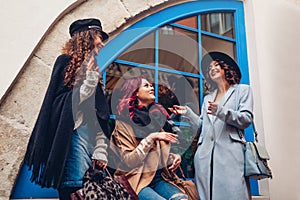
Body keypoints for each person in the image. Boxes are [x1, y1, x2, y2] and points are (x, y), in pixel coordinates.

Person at [24, 18, 110, 199]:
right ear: (86, 37)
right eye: (98, 37)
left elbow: (99, 116)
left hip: (90, 142)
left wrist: (100, 150)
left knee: (90, 192)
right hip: (72, 137)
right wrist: (89, 82)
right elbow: (58, 104)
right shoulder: (65, 62)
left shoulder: (95, 71)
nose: (102, 43)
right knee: (75, 190)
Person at [169, 51, 253, 200]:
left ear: (226, 68)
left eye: (216, 65)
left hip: (230, 156)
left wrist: (221, 111)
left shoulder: (242, 90)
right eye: (209, 68)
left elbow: (246, 119)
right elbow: (202, 126)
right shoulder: (208, 98)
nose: (212, 68)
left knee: (233, 194)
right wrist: (187, 113)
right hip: (204, 157)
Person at [110, 76, 188, 200]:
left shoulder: (157, 119)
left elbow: (159, 156)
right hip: (135, 178)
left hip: (159, 178)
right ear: (134, 93)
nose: (151, 87)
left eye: (151, 85)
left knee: (182, 198)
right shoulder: (124, 124)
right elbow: (129, 161)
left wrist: (174, 157)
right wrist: (151, 138)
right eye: (146, 86)